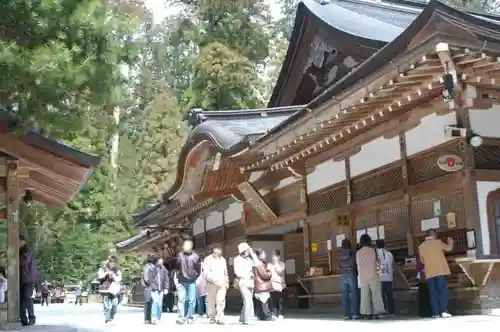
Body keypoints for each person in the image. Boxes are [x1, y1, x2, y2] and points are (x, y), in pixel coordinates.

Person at [418, 228, 454, 318]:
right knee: (442, 291)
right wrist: (450, 241)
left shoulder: (421, 246)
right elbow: (449, 248)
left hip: (429, 272)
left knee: (433, 293)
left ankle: (435, 313)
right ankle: (443, 311)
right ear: (434, 235)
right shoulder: (438, 242)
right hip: (440, 271)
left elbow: (422, 260)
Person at [356, 234, 385, 319]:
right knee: (376, 293)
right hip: (373, 274)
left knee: (364, 295)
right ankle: (377, 312)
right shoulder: (374, 251)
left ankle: (366, 313)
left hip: (363, 276)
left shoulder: (358, 252)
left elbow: (358, 264)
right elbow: (379, 262)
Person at [233, 242, 261, 325]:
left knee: (248, 300)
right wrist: (245, 275)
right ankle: (248, 319)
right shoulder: (237, 259)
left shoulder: (249, 259)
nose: (248, 251)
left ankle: (242, 318)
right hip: (243, 282)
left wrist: (253, 254)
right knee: (248, 300)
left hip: (250, 282)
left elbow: (258, 264)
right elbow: (237, 271)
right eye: (247, 250)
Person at [176, 239, 201, 324]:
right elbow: (176, 267)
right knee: (181, 299)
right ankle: (181, 317)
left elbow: (198, 270)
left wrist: (194, 277)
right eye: (184, 245)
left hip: (191, 281)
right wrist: (178, 275)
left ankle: (190, 317)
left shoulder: (196, 257)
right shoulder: (179, 255)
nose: (185, 247)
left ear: (191, 246)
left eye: (187, 245)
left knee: (192, 300)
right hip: (181, 281)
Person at [203, 244, 229, 324]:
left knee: (221, 301)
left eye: (221, 248)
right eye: (219, 248)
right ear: (214, 249)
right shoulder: (207, 259)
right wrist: (214, 279)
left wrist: (226, 281)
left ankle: (220, 317)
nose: (221, 250)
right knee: (211, 301)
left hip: (222, 284)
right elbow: (206, 273)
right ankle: (212, 317)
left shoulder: (223, 260)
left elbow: (225, 272)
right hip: (211, 283)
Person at [338, 238, 359, 320]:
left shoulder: (340, 254)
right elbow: (356, 263)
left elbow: (338, 267)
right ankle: (356, 314)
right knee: (354, 294)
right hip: (352, 274)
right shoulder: (353, 252)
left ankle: (347, 315)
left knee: (344, 295)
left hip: (343, 275)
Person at [145, 255, 169, 324]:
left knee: (159, 304)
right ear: (156, 261)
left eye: (162, 260)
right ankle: (154, 318)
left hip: (161, 289)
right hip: (154, 289)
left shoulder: (164, 269)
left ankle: (159, 318)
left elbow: (166, 279)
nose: (162, 261)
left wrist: (166, 288)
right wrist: (154, 287)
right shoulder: (151, 269)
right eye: (160, 260)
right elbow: (150, 280)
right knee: (155, 302)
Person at [19, 234, 37, 326]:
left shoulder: (27, 251)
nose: (18, 243)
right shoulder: (20, 251)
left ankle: (32, 318)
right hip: (21, 279)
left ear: (24, 242)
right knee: (21, 299)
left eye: (19, 241)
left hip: (28, 279)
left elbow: (24, 262)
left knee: (27, 298)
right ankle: (23, 319)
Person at [97, 256, 122, 323]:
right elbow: (100, 277)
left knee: (115, 304)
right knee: (106, 305)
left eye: (114, 263)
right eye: (111, 262)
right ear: (108, 262)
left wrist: (113, 276)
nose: (113, 264)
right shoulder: (102, 269)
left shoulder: (117, 270)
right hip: (105, 289)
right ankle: (107, 318)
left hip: (114, 290)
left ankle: (111, 316)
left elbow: (119, 279)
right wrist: (106, 274)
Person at [253, 249, 273, 321]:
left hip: (258, 285)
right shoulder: (260, 264)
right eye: (264, 254)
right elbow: (264, 275)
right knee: (265, 300)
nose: (265, 256)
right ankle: (267, 315)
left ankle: (261, 316)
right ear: (260, 255)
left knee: (261, 301)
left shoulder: (255, 263)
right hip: (262, 285)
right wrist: (269, 272)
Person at [376, 239, 395, 316]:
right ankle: (391, 312)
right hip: (389, 277)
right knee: (389, 295)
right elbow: (393, 265)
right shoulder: (390, 254)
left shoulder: (376, 254)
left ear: (376, 246)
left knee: (381, 296)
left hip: (380, 278)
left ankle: (382, 312)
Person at [268, 250, 285, 320]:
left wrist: (276, 264)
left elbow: (280, 273)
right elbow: (268, 274)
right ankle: (274, 313)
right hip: (272, 284)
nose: (273, 257)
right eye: (272, 256)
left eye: (274, 256)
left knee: (280, 300)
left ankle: (280, 313)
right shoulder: (269, 264)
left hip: (279, 284)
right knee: (272, 299)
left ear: (278, 257)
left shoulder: (282, 264)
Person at [142, 254, 156, 324]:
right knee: (148, 302)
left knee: (152, 302)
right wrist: (152, 283)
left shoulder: (153, 267)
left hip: (152, 286)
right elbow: (146, 278)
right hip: (148, 286)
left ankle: (151, 318)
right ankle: (147, 318)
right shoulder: (146, 267)